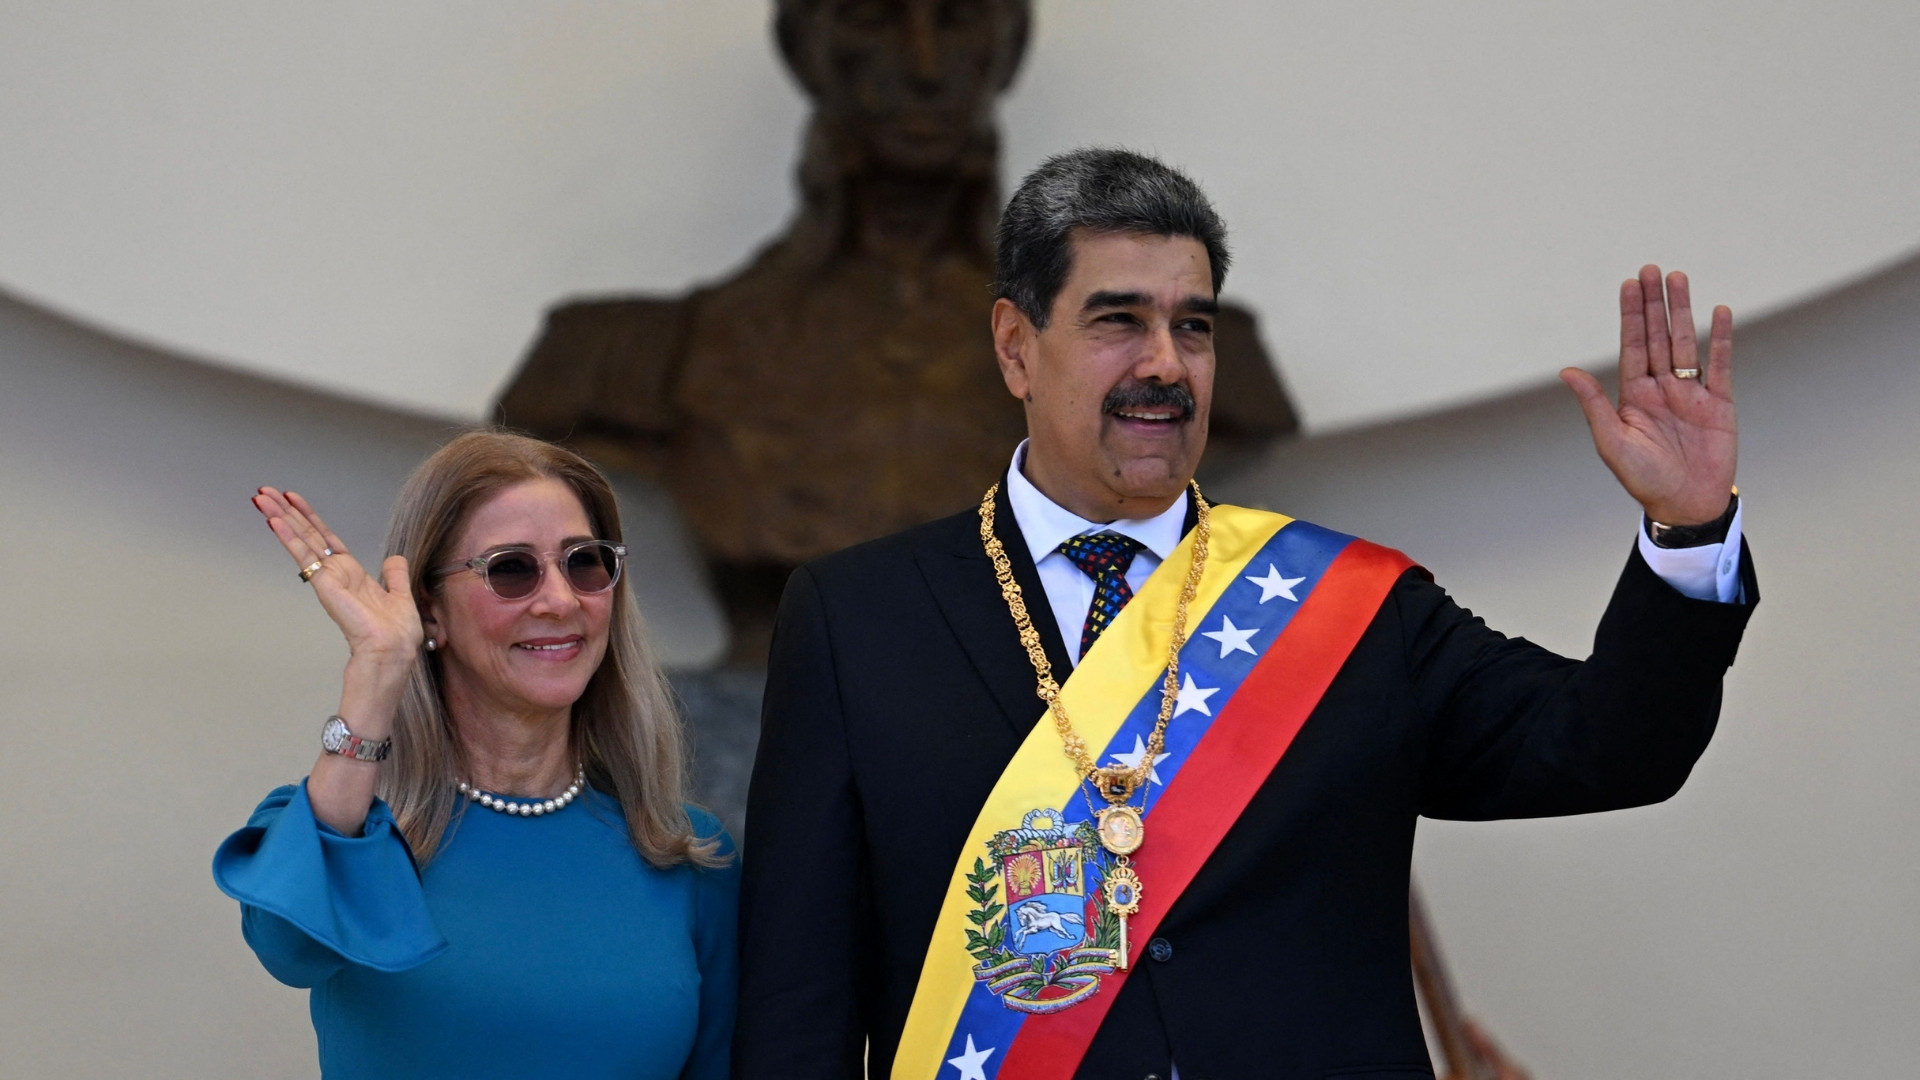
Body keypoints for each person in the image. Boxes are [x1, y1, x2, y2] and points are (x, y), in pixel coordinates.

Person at [735, 149, 1756, 1078]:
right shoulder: (856, 619)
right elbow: (798, 1002)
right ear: (1015, 346)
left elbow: (1609, 747)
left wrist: (1688, 528)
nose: (1167, 365)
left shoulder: (1349, 609)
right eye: (1117, 320)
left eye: (1193, 326)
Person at [213, 431, 738, 1079]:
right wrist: (379, 671)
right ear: (428, 609)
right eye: (511, 569)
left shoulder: (688, 854)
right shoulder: (344, 836)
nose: (561, 599)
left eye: (585, 562)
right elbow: (286, 948)